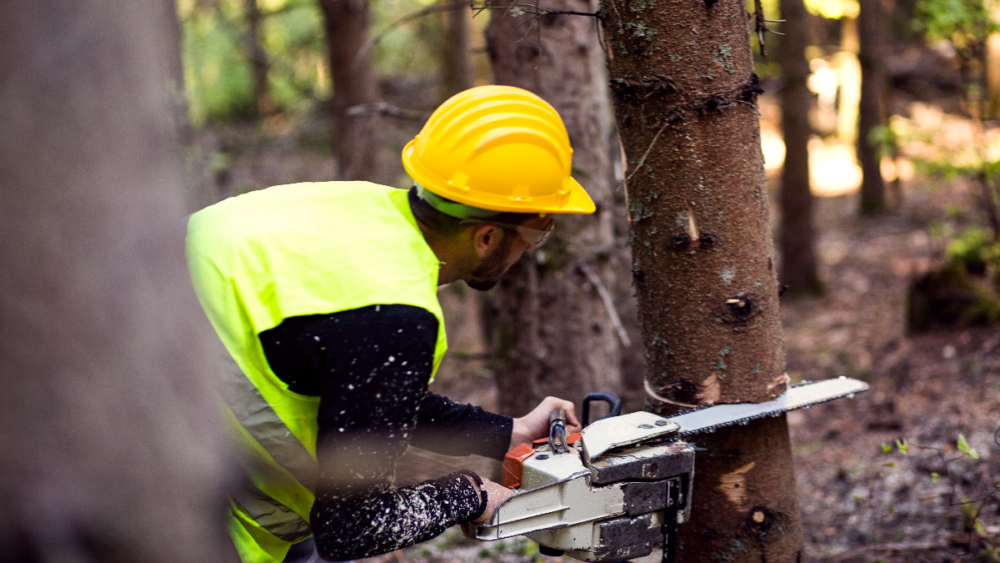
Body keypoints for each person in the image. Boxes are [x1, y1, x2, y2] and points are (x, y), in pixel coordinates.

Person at [186, 85, 596, 563]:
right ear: (485, 237)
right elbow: (352, 527)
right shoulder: (395, 316)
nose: (531, 248)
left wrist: (506, 432)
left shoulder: (359, 210)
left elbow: (360, 386)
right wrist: (472, 495)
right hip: (176, 515)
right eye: (536, 231)